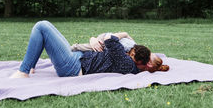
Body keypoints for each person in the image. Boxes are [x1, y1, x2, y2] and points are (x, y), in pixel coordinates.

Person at [10, 21, 151, 78]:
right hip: (76, 57)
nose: (127, 51)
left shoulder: (126, 63)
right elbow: (104, 38)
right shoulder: (128, 60)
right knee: (46, 27)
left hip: (73, 67)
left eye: (131, 53)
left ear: (137, 61)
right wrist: (93, 39)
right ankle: (31, 65)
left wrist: (125, 34)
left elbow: (109, 38)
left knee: (42, 26)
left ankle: (24, 71)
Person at [71, 33, 170, 73]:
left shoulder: (128, 63)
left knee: (80, 47)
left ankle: (74, 47)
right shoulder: (137, 52)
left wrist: (94, 39)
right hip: (83, 57)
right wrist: (94, 39)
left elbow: (109, 39)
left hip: (79, 62)